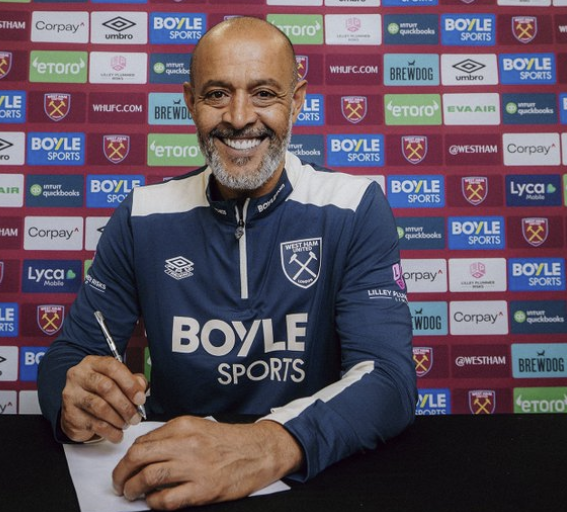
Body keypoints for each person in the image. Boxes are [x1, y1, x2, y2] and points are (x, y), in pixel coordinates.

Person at [38, 16, 416, 511]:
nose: (239, 118)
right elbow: (69, 355)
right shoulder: (142, 214)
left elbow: (388, 378)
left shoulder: (355, 207)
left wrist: (264, 446)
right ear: (190, 102)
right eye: (217, 94)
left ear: (297, 101)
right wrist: (74, 399)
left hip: (307, 478)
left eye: (264, 93)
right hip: (169, 479)